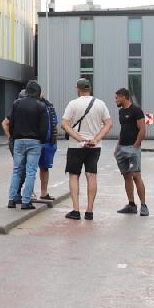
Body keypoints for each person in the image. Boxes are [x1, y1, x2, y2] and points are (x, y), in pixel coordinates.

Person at [59, 76, 111, 221]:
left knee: (74, 175)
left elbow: (64, 124)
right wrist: (96, 139)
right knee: (91, 175)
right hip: (94, 146)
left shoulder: (73, 104)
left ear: (78, 89)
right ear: (89, 89)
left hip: (76, 146)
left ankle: (76, 210)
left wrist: (78, 138)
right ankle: (89, 211)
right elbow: (108, 124)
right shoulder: (100, 104)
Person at [0, 79, 56, 210]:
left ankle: (12, 199)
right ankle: (26, 201)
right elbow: (44, 127)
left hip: (18, 141)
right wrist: (42, 140)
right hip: (34, 141)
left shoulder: (17, 103)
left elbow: (11, 122)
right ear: (37, 91)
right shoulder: (41, 106)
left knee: (17, 170)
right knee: (31, 171)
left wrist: (13, 136)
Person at [112, 87, 149, 216]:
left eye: (117, 97)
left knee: (136, 176)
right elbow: (123, 130)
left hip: (133, 149)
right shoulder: (121, 111)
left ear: (124, 97)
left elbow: (142, 130)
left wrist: (136, 146)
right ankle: (131, 205)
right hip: (121, 148)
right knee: (126, 176)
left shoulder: (137, 110)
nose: (115, 100)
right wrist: (117, 147)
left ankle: (143, 206)